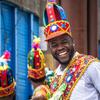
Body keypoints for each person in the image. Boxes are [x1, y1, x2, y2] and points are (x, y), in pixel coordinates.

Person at [32, 0, 100, 100]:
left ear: (72, 42)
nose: (60, 47)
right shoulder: (54, 79)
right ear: (50, 48)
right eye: (54, 45)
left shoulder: (91, 66)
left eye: (64, 42)